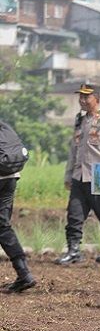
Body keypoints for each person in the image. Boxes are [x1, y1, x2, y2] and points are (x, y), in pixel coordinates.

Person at [56, 84, 100, 265]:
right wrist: (68, 176)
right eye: (81, 97)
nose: (82, 101)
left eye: (87, 97)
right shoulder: (80, 121)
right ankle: (73, 251)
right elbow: (73, 152)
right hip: (79, 177)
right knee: (74, 216)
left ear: (97, 99)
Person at [0, 123, 36, 294]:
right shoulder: (4, 126)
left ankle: (24, 274)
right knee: (2, 226)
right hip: (10, 178)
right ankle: (24, 273)